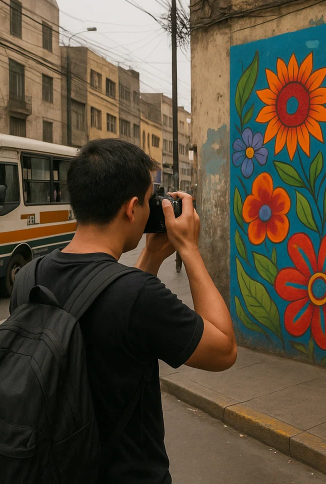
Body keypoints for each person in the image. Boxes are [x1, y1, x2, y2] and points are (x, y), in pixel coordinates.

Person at [14, 139, 236, 483]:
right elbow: (223, 349)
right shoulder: (138, 297)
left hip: (52, 469)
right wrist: (189, 249)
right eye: (149, 201)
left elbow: (104, 317)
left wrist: (150, 258)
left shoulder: (29, 277)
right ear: (132, 209)